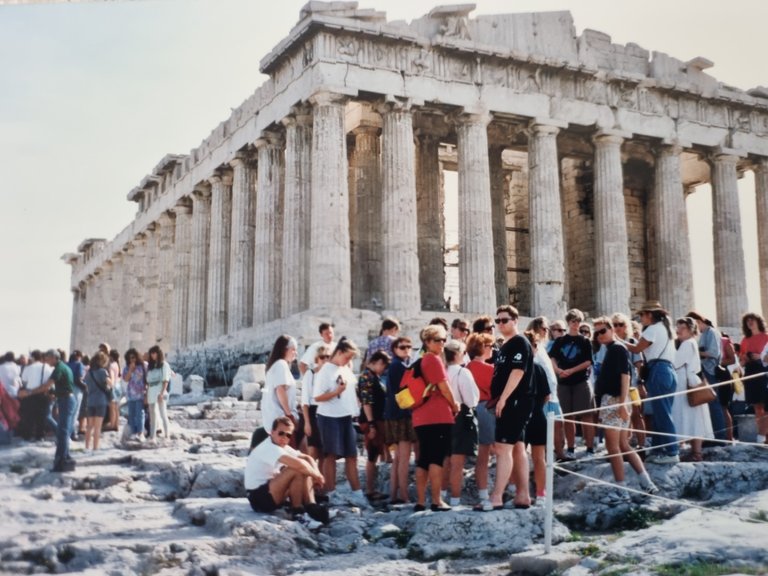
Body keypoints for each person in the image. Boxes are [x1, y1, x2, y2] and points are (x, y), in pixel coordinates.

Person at [592, 317, 658, 494]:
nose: (599, 335)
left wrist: (622, 404)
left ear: (612, 329)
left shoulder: (616, 349)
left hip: (615, 401)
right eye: (596, 332)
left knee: (613, 448)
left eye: (602, 331)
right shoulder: (612, 349)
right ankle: (647, 483)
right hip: (616, 399)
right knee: (624, 445)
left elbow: (625, 376)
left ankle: (622, 489)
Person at [484, 305, 535, 511]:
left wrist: (503, 399)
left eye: (504, 320)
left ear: (515, 320)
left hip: (515, 401)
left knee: (502, 448)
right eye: (498, 321)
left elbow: (517, 372)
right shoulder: (505, 345)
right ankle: (523, 495)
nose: (500, 324)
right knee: (518, 448)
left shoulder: (520, 343)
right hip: (511, 401)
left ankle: (496, 497)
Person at [623, 301, 679, 464]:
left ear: (650, 315)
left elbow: (636, 349)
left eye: (642, 315)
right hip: (668, 370)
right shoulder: (667, 329)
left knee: (662, 413)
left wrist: (617, 340)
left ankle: (672, 451)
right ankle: (658, 449)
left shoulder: (654, 329)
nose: (640, 318)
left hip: (658, 370)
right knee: (660, 412)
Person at [313, 337, 367, 506]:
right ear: (340, 352)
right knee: (331, 455)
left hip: (346, 417)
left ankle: (357, 492)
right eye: (348, 356)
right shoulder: (325, 371)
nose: (349, 360)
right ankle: (331, 491)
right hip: (329, 417)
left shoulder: (345, 369)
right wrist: (336, 391)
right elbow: (318, 397)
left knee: (352, 455)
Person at [244, 416, 328, 524]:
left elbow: (307, 458)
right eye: (281, 433)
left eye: (288, 435)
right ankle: (298, 514)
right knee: (296, 469)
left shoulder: (280, 446)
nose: (284, 437)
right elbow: (299, 464)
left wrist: (316, 473)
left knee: (302, 468)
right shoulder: (268, 447)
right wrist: (317, 476)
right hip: (258, 498)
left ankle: (311, 506)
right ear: (272, 432)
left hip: (270, 490)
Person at [411, 324, 459, 512]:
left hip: (420, 416)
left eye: (444, 340)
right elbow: (444, 388)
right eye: (439, 340)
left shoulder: (420, 360)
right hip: (438, 415)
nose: (442, 344)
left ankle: (421, 501)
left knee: (424, 458)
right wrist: (454, 405)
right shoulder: (434, 360)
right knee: (437, 458)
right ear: (428, 342)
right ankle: (437, 500)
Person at [549, 308, 596, 457]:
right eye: (573, 321)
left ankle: (589, 448)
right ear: (568, 322)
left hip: (581, 381)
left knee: (586, 416)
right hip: (563, 382)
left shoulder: (585, 341)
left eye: (578, 321)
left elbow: (589, 361)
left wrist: (572, 370)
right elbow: (553, 358)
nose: (576, 324)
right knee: (568, 417)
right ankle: (571, 448)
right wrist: (557, 370)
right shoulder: (560, 341)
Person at [672, 317, 714, 461]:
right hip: (689, 381)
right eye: (677, 328)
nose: (678, 331)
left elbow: (675, 363)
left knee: (687, 415)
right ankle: (695, 451)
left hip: (685, 383)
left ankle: (694, 452)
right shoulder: (690, 343)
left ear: (690, 330)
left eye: (682, 328)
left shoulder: (686, 344)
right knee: (694, 417)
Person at [443, 340, 479, 507]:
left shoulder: (441, 371)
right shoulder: (462, 373)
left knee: (444, 459)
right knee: (457, 462)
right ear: (458, 354)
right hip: (460, 416)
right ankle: (455, 499)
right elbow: (471, 400)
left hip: (441, 417)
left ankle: (440, 495)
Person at [381, 336, 416, 504]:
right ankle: (403, 495)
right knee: (404, 457)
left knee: (398, 458)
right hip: (401, 415)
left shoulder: (398, 365)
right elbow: (402, 391)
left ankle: (394, 494)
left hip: (394, 414)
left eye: (409, 346)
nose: (407, 349)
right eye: (402, 347)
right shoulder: (398, 367)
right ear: (395, 349)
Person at [528, 316, 567, 462]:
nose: (547, 332)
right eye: (544, 329)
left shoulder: (543, 347)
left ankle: (559, 454)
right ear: (537, 328)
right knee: (546, 427)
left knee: (558, 423)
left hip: (553, 393)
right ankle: (544, 457)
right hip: (543, 394)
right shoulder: (533, 347)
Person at [686, 311, 728, 442]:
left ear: (698, 321)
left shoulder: (711, 332)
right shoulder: (703, 334)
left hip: (710, 371)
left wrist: (695, 352)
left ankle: (720, 437)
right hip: (703, 371)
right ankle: (711, 436)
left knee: (713, 403)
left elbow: (714, 353)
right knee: (707, 405)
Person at [522, 330, 553, 502]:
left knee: (519, 455)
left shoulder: (516, 370)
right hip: (538, 415)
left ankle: (520, 491)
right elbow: (547, 395)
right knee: (539, 457)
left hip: (521, 417)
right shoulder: (539, 369)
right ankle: (541, 493)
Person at [465, 332, 495, 505]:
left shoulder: (467, 368)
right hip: (487, 409)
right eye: (490, 345)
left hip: (474, 410)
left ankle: (483, 494)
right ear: (482, 348)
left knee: (482, 456)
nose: (492, 349)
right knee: (498, 451)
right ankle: (508, 489)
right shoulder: (489, 369)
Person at [357, 350, 391, 501]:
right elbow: (366, 402)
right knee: (372, 455)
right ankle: (370, 490)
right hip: (372, 420)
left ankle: (372, 488)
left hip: (377, 419)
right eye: (383, 365)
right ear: (378, 362)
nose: (383, 369)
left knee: (375, 453)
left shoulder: (373, 376)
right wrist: (371, 425)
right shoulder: (366, 377)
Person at [611, 313, 647, 450]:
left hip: (632, 385)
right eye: (615, 325)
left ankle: (642, 445)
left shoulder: (631, 342)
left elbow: (639, 364)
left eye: (621, 324)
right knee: (618, 416)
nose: (618, 327)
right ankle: (622, 445)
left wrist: (640, 383)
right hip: (615, 385)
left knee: (637, 414)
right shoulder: (608, 344)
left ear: (626, 326)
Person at [41, 350, 75, 472]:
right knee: (63, 431)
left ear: (54, 358)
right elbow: (64, 386)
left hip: (66, 400)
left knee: (63, 432)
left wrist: (30, 392)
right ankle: (65, 457)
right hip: (66, 399)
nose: (46, 361)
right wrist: (53, 393)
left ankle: (61, 460)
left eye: (48, 358)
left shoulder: (59, 368)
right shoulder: (63, 367)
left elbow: (47, 385)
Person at [263, 336, 300, 442]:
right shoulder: (281, 365)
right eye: (293, 349)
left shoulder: (275, 366)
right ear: (284, 349)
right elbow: (280, 390)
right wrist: (289, 415)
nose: (295, 353)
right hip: (281, 418)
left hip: (276, 418)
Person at [739, 313, 768, 444]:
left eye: (752, 320)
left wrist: (759, 356)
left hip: (763, 371)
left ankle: (762, 436)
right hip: (750, 372)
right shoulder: (745, 340)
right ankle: (762, 435)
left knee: (766, 406)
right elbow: (741, 359)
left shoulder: (766, 337)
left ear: (758, 321)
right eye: (747, 320)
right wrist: (743, 360)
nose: (750, 322)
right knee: (757, 407)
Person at [300, 344, 331, 464]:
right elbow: (305, 401)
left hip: (327, 412)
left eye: (328, 357)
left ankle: (321, 481)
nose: (325, 360)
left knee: (325, 452)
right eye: (322, 357)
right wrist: (307, 423)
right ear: (317, 359)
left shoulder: (331, 375)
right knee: (313, 451)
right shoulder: (310, 374)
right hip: (313, 413)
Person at [17, 350, 52, 440]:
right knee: (41, 416)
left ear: (33, 357)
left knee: (29, 416)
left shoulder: (28, 368)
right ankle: (40, 436)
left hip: (30, 394)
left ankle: (27, 435)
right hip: (43, 394)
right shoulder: (47, 367)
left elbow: (24, 381)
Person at [84, 351, 112, 450]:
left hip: (90, 401)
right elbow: (110, 383)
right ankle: (95, 448)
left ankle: (87, 447)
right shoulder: (103, 372)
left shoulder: (88, 373)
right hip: (101, 401)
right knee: (97, 427)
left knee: (89, 426)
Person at [145, 345, 172, 443]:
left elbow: (165, 380)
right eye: (151, 353)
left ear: (158, 353)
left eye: (154, 353)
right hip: (151, 390)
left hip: (160, 390)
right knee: (152, 414)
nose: (152, 355)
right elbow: (148, 380)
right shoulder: (150, 366)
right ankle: (153, 436)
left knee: (163, 413)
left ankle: (167, 435)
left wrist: (162, 392)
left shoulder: (164, 365)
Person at [122, 348, 147, 442]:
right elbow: (126, 379)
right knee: (132, 414)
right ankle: (133, 432)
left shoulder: (143, 366)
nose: (132, 360)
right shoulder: (127, 367)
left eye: (133, 357)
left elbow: (146, 379)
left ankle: (141, 432)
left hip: (140, 394)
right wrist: (130, 370)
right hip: (130, 394)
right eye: (130, 358)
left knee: (140, 413)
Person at [67, 351, 86, 441]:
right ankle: (72, 433)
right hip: (76, 390)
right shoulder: (79, 365)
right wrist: (86, 387)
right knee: (75, 413)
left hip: (67, 390)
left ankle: (68, 432)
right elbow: (78, 379)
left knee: (68, 413)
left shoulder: (67, 364)